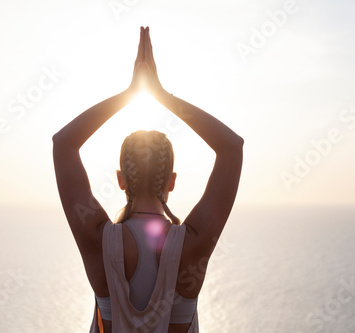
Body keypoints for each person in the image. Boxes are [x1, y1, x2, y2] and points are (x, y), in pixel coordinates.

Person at [52, 26, 243, 333]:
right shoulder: (193, 243)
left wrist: (130, 94)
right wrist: (160, 94)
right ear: (172, 180)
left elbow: (64, 144)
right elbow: (231, 148)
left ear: (121, 179)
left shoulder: (97, 239)